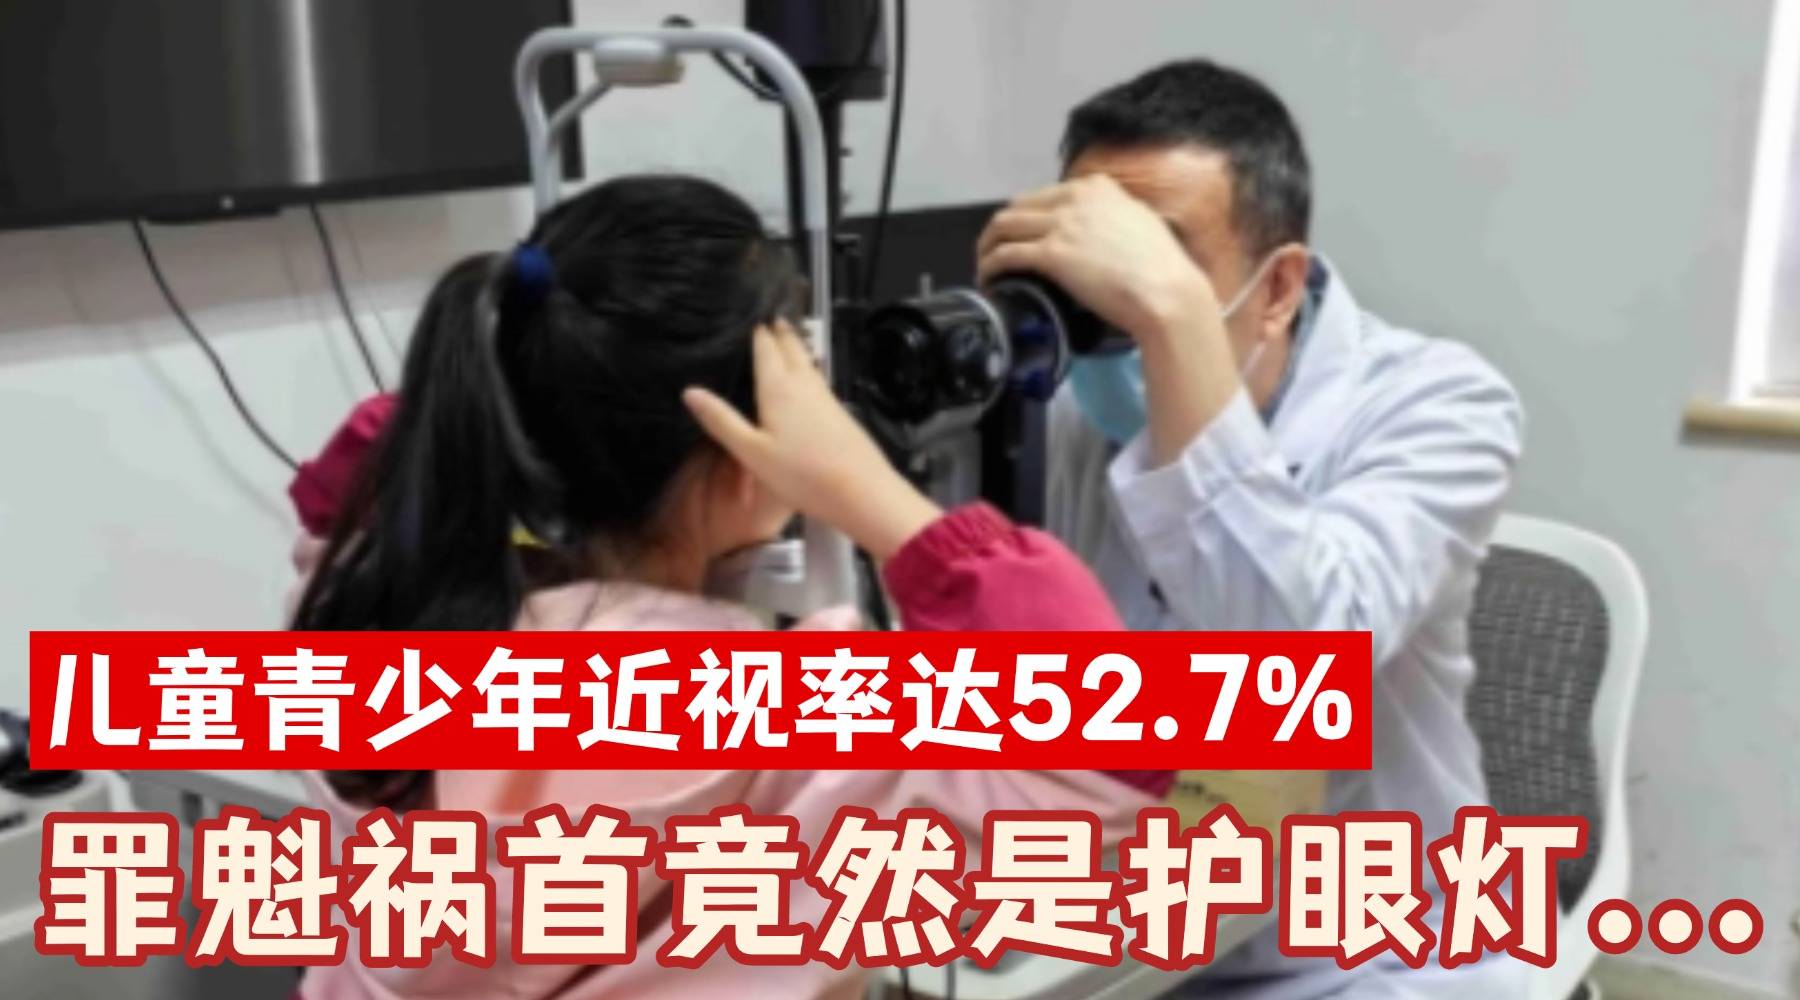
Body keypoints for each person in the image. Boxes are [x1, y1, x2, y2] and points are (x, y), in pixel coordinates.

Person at [289, 174, 1168, 999]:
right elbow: (1106, 762)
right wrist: (876, 497)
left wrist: (502, 405)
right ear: (750, 454)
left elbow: (347, 496)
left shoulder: (368, 613)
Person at [978, 60, 1526, 997]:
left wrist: (1171, 319)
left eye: (1154, 270)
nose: (1113, 313)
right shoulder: (1069, 409)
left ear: (1276, 289)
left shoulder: (1439, 404)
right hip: (1138, 920)